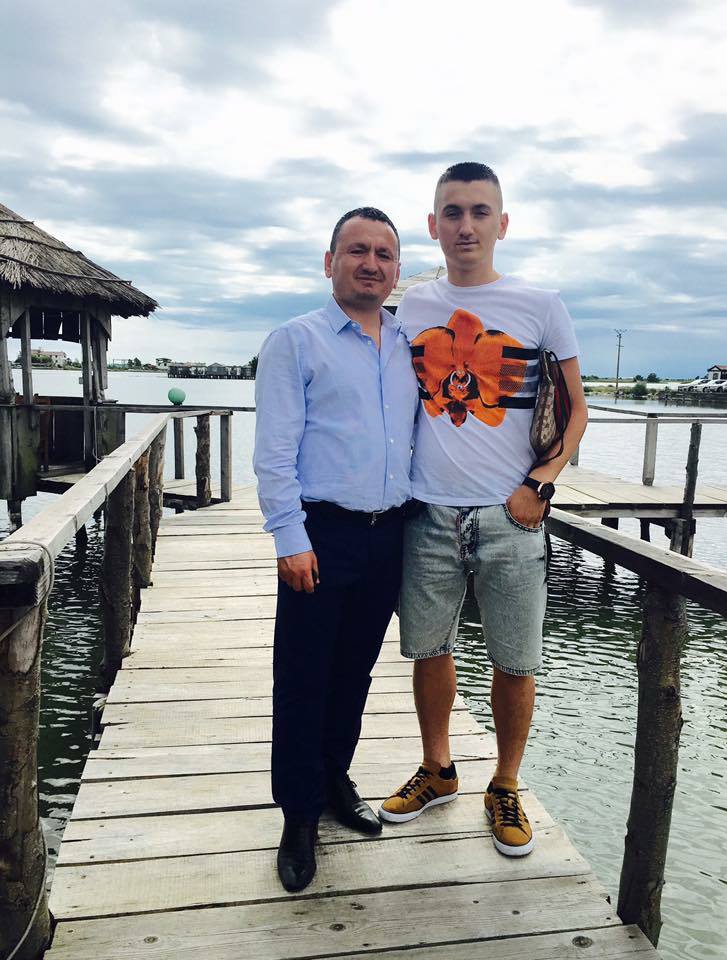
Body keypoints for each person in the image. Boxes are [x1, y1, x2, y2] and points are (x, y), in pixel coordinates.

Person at [379, 163, 588, 857]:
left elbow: (576, 410)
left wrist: (541, 484)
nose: (465, 225)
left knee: (515, 658)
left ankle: (505, 783)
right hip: (427, 512)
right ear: (432, 225)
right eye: (452, 212)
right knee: (429, 648)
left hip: (511, 513)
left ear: (503, 223)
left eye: (479, 211)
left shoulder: (541, 306)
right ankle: (438, 769)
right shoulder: (410, 309)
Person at [253, 207, 418, 893]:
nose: (371, 264)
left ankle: (333, 781)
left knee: (354, 672)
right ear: (330, 262)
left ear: (396, 269)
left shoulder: (409, 343)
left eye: (384, 253)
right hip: (321, 534)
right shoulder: (296, 341)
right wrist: (289, 537)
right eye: (357, 251)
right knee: (303, 677)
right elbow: (274, 452)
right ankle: (298, 813)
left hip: (391, 534)